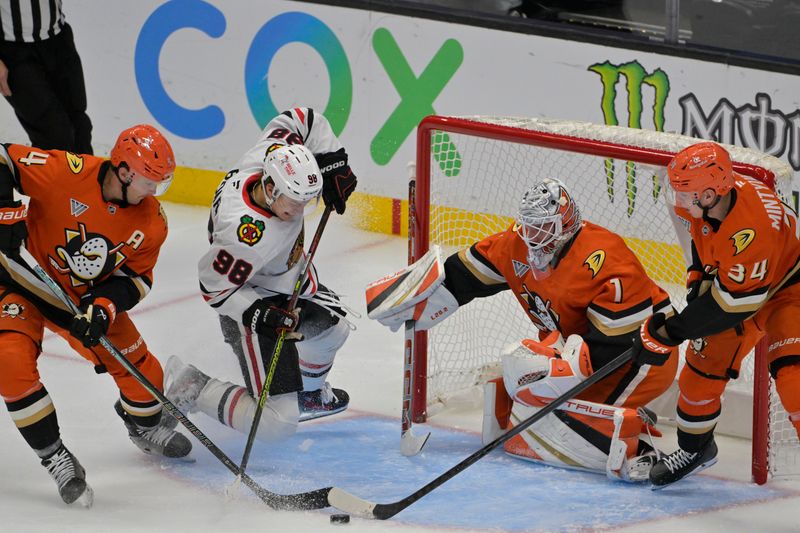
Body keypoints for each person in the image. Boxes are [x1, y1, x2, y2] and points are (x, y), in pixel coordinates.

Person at [367, 177, 678, 481]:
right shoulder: (514, 246)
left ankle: (639, 449)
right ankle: (594, 418)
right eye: (529, 224)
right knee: (527, 374)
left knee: (556, 417)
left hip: (643, 355)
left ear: (566, 225)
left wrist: (559, 384)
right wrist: (419, 299)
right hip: (581, 348)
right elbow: (462, 276)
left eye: (544, 226)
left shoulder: (603, 259)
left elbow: (620, 346)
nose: (533, 234)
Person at [0, 125, 192, 508]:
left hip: (80, 303)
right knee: (9, 363)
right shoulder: (65, 172)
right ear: (123, 172)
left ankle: (143, 425)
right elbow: (2, 157)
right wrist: (5, 213)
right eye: (149, 182)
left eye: (161, 183)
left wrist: (103, 308)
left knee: (145, 378)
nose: (154, 192)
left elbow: (136, 279)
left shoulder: (152, 223)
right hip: (17, 280)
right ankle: (55, 456)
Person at [162, 107, 358, 444]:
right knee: (278, 424)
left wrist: (334, 160)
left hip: (283, 282)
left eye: (306, 201)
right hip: (255, 307)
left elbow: (302, 118)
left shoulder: (270, 156)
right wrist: (259, 315)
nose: (300, 211)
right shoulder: (245, 235)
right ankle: (194, 386)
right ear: (270, 187)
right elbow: (214, 288)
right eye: (294, 202)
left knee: (333, 332)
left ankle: (308, 396)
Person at [630, 141, 800, 487]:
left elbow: (734, 306)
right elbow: (702, 249)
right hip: (741, 290)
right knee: (697, 378)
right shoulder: (710, 207)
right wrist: (696, 285)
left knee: (793, 379)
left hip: (789, 291)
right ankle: (696, 450)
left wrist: (671, 331)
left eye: (687, 193)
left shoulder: (751, 229)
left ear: (710, 193)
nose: (681, 201)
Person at [0, 0, 92, 153]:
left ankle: (88, 177)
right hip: (13, 51)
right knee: (53, 134)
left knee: (79, 126)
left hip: (58, 39)